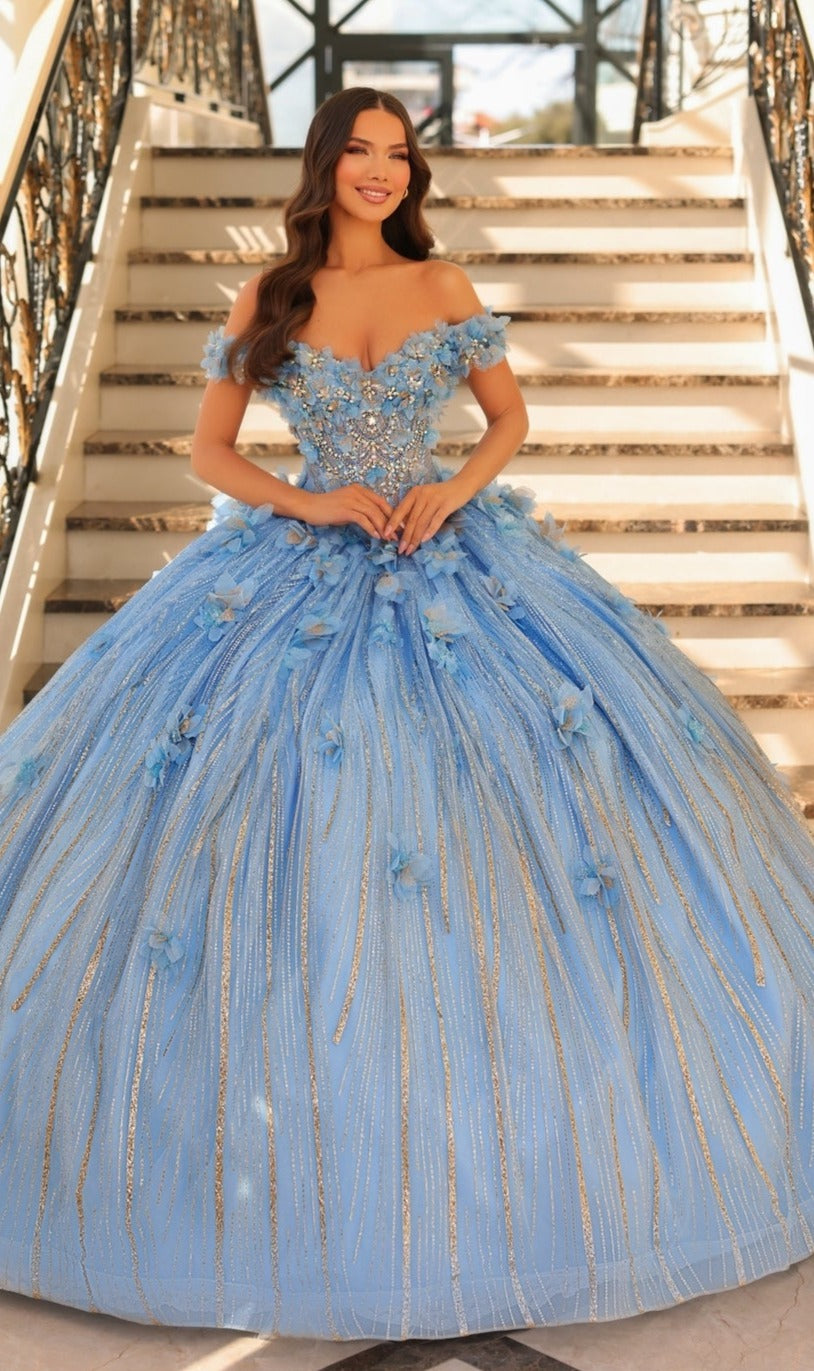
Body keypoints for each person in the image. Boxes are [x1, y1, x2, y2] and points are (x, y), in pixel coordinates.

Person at [1, 84, 814, 1344]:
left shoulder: (442, 289)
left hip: (455, 550)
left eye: (399, 155)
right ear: (325, 164)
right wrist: (312, 503)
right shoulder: (268, 300)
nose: (382, 172)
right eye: (362, 152)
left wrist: (449, 494)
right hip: (301, 553)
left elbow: (508, 421)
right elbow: (212, 457)